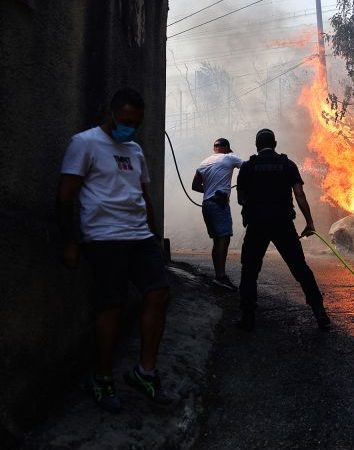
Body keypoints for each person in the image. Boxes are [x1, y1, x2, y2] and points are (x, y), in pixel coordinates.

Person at [57, 87, 174, 413]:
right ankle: (102, 378)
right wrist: (71, 240)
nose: (129, 127)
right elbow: (66, 195)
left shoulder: (135, 150)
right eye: (124, 121)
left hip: (139, 237)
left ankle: (145, 372)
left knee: (159, 293)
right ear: (110, 113)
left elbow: (143, 196)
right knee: (112, 307)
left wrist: (154, 235)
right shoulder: (84, 143)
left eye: (135, 123)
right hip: (103, 238)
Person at [235, 128, 330, 331]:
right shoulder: (287, 165)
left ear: (257, 146)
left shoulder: (248, 167)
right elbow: (299, 194)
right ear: (275, 144)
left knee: (250, 270)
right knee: (300, 268)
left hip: (257, 225)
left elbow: (240, 198)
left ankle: (247, 317)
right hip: (282, 224)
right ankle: (319, 312)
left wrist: (254, 203)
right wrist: (310, 222)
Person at [192, 137, 243, 291]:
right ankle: (220, 277)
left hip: (207, 205)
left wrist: (210, 191)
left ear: (214, 148)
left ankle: (218, 275)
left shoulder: (204, 162)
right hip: (218, 204)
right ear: (227, 147)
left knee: (218, 240)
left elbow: (195, 186)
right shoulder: (229, 157)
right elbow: (248, 168)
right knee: (224, 239)